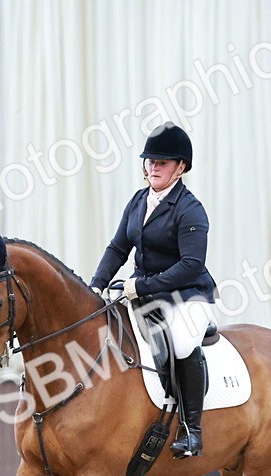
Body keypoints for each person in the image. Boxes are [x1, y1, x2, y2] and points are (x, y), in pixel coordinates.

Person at [90, 122, 217, 459]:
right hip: (141, 294)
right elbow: (118, 248)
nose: (154, 168)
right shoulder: (138, 201)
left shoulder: (190, 209)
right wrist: (96, 283)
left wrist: (141, 285)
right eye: (150, 162)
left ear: (181, 167)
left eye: (162, 163)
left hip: (187, 295)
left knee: (182, 340)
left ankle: (192, 431)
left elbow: (190, 264)